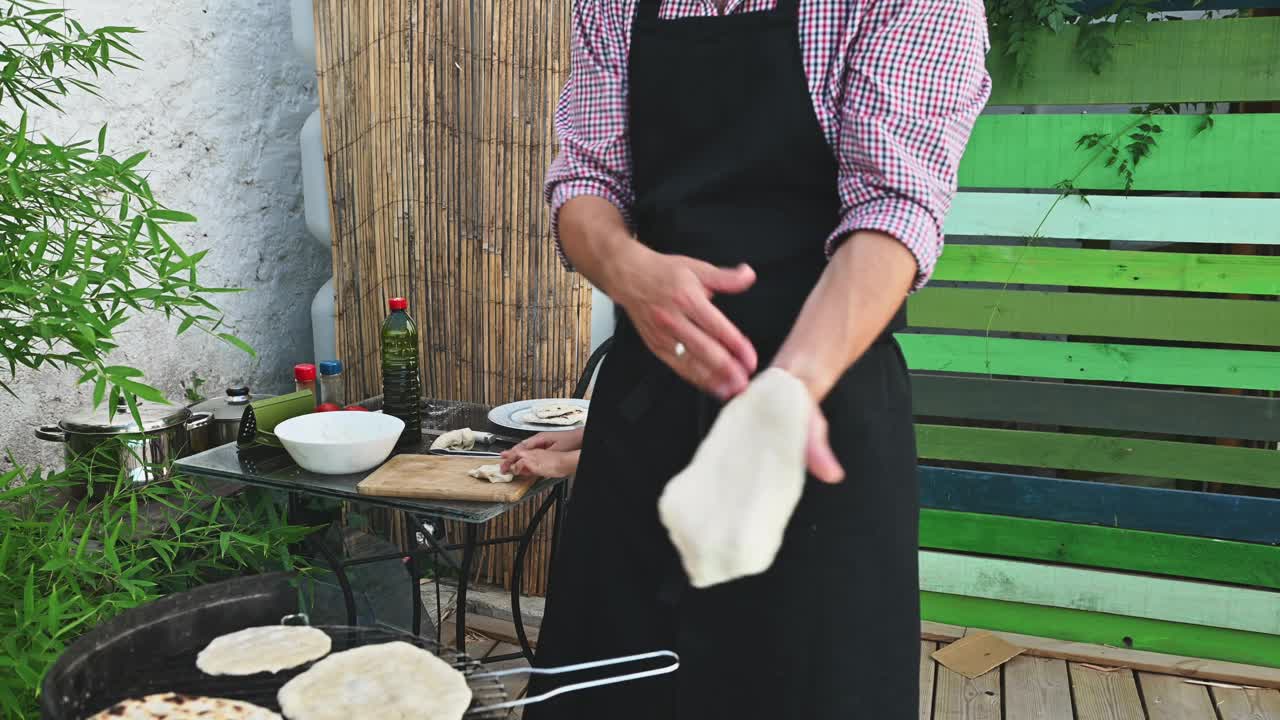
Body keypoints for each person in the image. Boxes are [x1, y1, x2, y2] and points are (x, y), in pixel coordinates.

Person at [525, 0, 990, 717]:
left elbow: (894, 209)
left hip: (816, 415)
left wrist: (787, 389)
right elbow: (585, 179)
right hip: (646, 425)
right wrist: (622, 263)